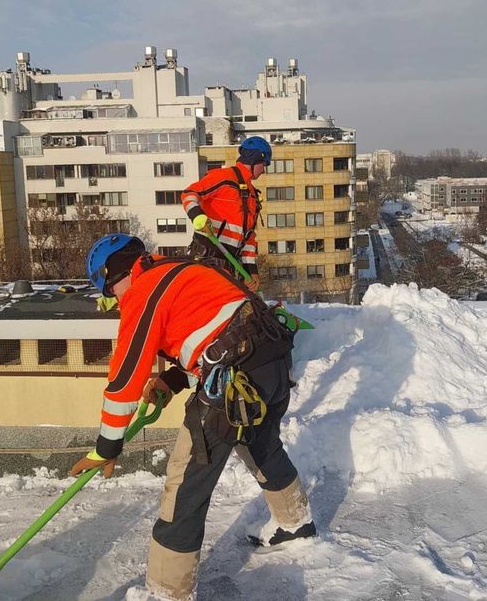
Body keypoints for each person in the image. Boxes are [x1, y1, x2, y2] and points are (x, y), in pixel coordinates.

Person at [71, 233, 314, 600]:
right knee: (260, 444)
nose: (114, 300)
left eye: (109, 291)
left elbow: (125, 376)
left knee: (184, 484)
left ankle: (167, 592)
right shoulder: (181, 271)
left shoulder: (143, 290)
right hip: (271, 362)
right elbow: (210, 336)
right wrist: (170, 380)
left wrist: (107, 447)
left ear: (114, 274)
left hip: (236, 376)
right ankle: (296, 523)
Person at [181, 136, 271, 292]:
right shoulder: (224, 177)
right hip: (207, 258)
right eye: (264, 164)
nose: (264, 169)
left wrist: (252, 272)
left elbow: (248, 239)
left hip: (230, 265)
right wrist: (198, 216)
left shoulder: (252, 196)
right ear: (255, 159)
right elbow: (189, 194)